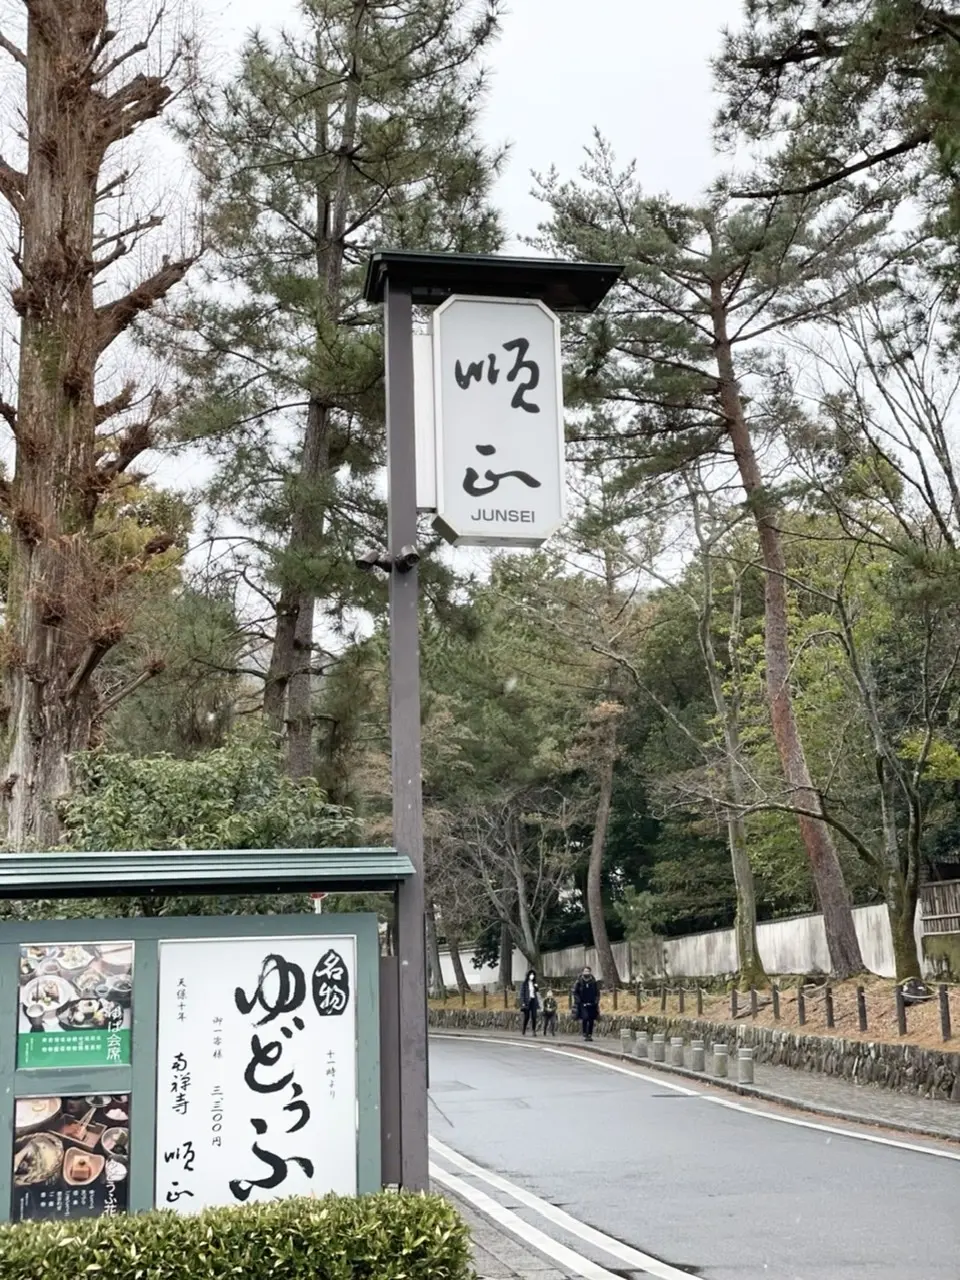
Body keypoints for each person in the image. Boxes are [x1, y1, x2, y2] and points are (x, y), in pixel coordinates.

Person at [573, 966, 599, 1042]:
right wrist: (578, 1000)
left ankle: (590, 1034)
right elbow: (575, 992)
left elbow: (597, 992)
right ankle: (585, 1032)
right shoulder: (579, 981)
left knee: (591, 1019)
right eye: (585, 971)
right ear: (582, 972)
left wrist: (596, 1001)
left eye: (588, 971)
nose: (586, 973)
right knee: (585, 1017)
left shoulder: (593, 981)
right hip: (582, 1003)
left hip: (592, 1003)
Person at [520, 969, 540, 1035]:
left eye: (533, 975)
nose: (532, 976)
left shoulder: (534, 983)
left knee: (534, 1016)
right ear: (528, 975)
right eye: (531, 974)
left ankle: (534, 1031)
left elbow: (537, 992)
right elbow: (522, 993)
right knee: (527, 1017)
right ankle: (524, 1029)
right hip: (527, 1001)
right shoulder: (524, 984)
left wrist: (537, 987)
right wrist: (523, 1002)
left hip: (533, 1000)